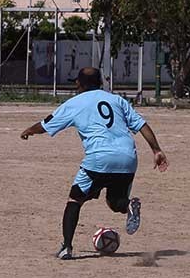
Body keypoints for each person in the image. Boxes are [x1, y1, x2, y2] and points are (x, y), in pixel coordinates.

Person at [20, 67, 169, 259]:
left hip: (99, 159)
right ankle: (129, 205)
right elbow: (141, 125)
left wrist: (29, 131)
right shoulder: (117, 100)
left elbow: (46, 124)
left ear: (78, 83)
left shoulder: (74, 103)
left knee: (75, 199)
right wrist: (156, 150)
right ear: (101, 83)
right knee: (115, 202)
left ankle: (66, 247)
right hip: (127, 157)